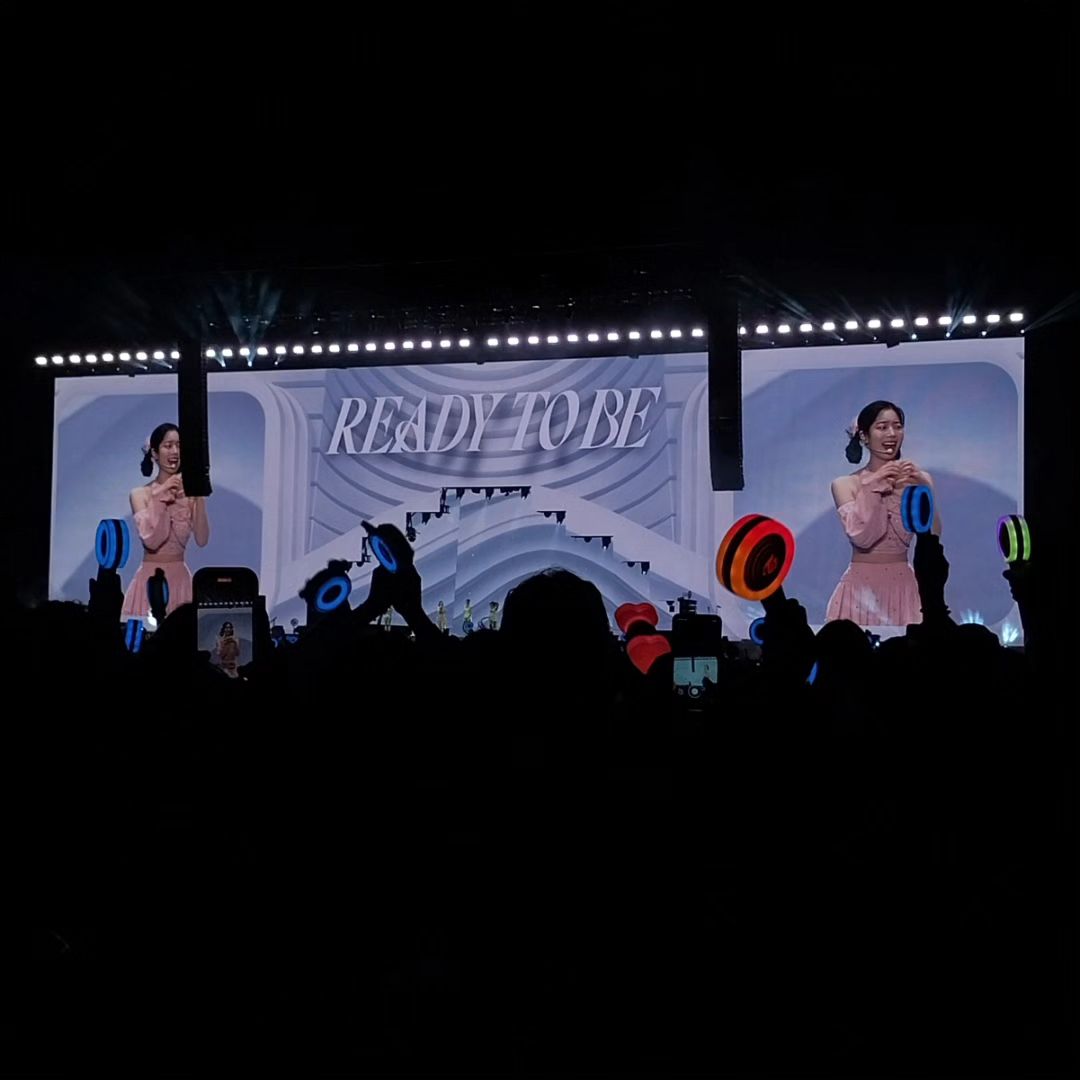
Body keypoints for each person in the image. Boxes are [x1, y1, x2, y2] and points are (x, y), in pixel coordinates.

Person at [825, 401, 938, 627]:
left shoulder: (919, 479)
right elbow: (862, 538)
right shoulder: (846, 484)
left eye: (897, 426)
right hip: (859, 589)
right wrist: (874, 486)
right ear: (864, 436)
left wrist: (925, 489)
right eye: (882, 427)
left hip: (904, 586)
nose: (892, 434)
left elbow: (933, 536)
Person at [121, 424, 210, 618]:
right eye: (168, 446)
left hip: (181, 581)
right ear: (154, 453)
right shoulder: (140, 494)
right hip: (150, 580)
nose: (175, 452)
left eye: (179, 446)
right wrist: (161, 495)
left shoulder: (190, 496)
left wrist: (199, 496)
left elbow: (202, 539)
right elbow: (152, 541)